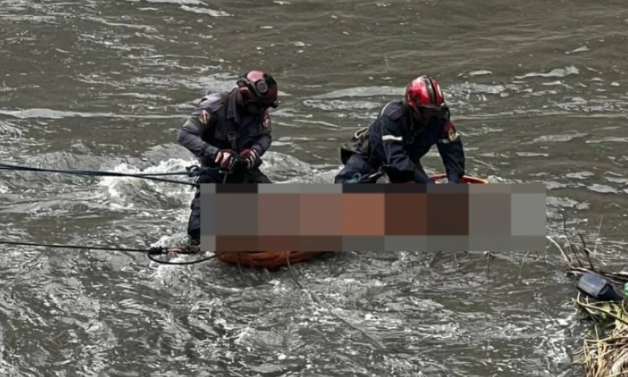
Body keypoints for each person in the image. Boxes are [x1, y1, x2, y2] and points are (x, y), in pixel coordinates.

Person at [178, 70, 278, 246]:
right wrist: (216, 154)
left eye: (265, 107)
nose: (262, 111)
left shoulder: (260, 108)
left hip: (246, 169)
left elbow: (265, 137)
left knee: (280, 212)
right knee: (199, 234)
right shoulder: (213, 106)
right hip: (216, 172)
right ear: (245, 97)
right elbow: (185, 135)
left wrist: (254, 152)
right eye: (259, 106)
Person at [334, 75, 465, 184]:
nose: (432, 117)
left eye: (436, 111)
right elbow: (398, 159)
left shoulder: (441, 120)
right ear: (414, 107)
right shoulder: (392, 116)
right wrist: (426, 182)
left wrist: (452, 184)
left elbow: (453, 155)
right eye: (427, 112)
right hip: (370, 158)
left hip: (407, 163)